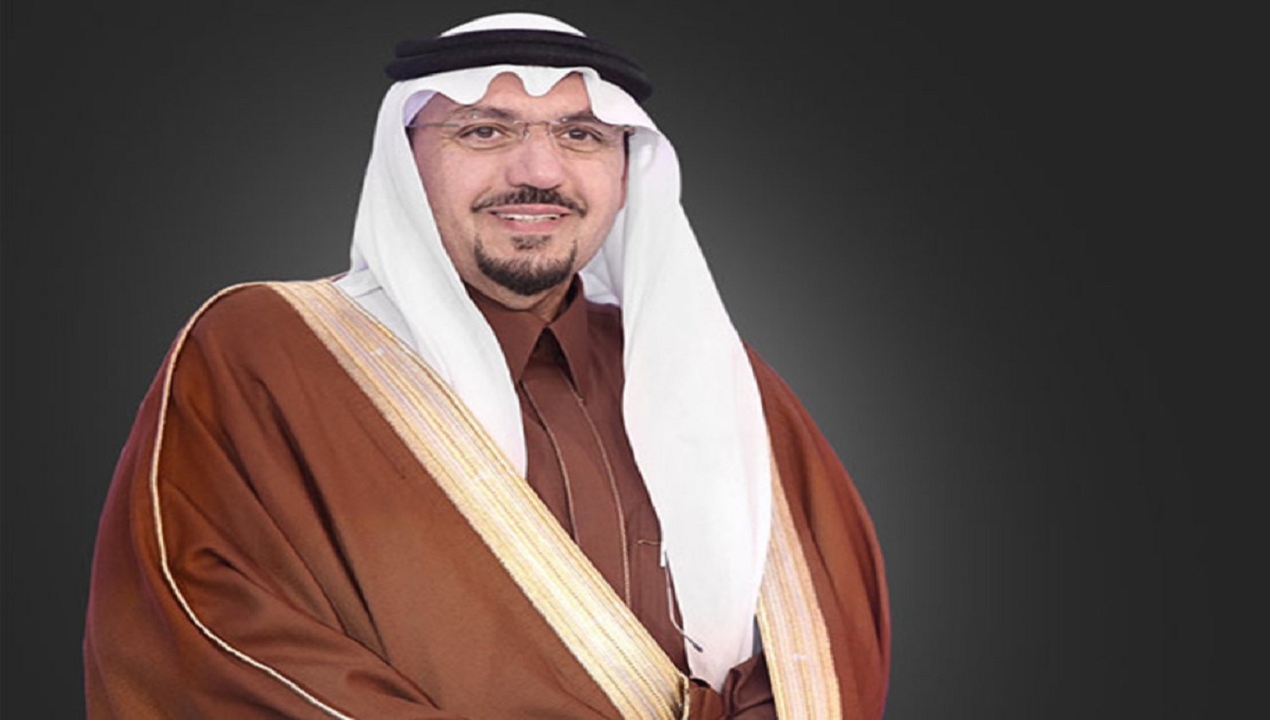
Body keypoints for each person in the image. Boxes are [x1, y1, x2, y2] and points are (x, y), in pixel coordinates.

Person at [83, 12, 890, 719]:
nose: (539, 172)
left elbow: (827, 633)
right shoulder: (267, 350)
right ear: (406, 164)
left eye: (581, 135)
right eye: (483, 131)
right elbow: (212, 635)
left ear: (624, 171)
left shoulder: (716, 377)